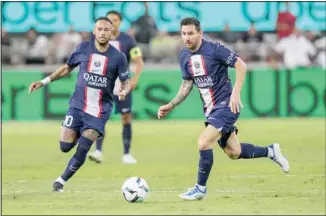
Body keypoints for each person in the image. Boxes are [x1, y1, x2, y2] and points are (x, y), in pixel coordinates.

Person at [157, 17, 290, 201]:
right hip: (212, 111)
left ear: (200, 33)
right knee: (234, 152)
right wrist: (171, 105)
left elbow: (241, 65)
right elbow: (187, 84)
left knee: (203, 142)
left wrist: (235, 93)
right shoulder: (184, 56)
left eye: (190, 33)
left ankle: (200, 189)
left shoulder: (214, 50)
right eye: (183, 34)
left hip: (227, 106)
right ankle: (271, 151)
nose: (186, 38)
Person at [28, 17, 130, 192]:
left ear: (111, 33)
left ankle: (60, 182)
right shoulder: (83, 48)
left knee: (83, 146)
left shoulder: (118, 57)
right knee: (65, 146)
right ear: (94, 31)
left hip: (99, 110)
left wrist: (124, 90)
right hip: (77, 106)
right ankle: (83, 136)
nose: (103, 32)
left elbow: (125, 80)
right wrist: (44, 81)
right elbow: (67, 67)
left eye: (106, 30)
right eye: (100, 29)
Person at [88, 10, 144, 164]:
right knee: (100, 118)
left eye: (115, 20)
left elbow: (138, 60)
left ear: (120, 22)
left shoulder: (128, 40)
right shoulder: (97, 39)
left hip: (122, 86)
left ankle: (126, 153)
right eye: (109, 20)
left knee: (126, 118)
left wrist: (135, 79)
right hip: (102, 85)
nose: (112, 22)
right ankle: (98, 151)